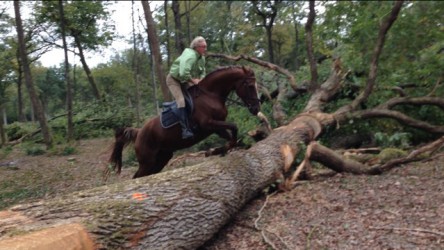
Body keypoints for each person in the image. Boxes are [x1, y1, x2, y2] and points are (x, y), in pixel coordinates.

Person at [166, 36, 207, 139]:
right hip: (174, 80)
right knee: (181, 101)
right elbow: (183, 73)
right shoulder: (191, 56)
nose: (205, 49)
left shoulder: (201, 57)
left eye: (206, 46)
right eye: (203, 47)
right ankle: (185, 130)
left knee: (198, 95)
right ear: (196, 47)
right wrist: (194, 81)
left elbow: (203, 71)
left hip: (185, 80)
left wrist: (201, 79)